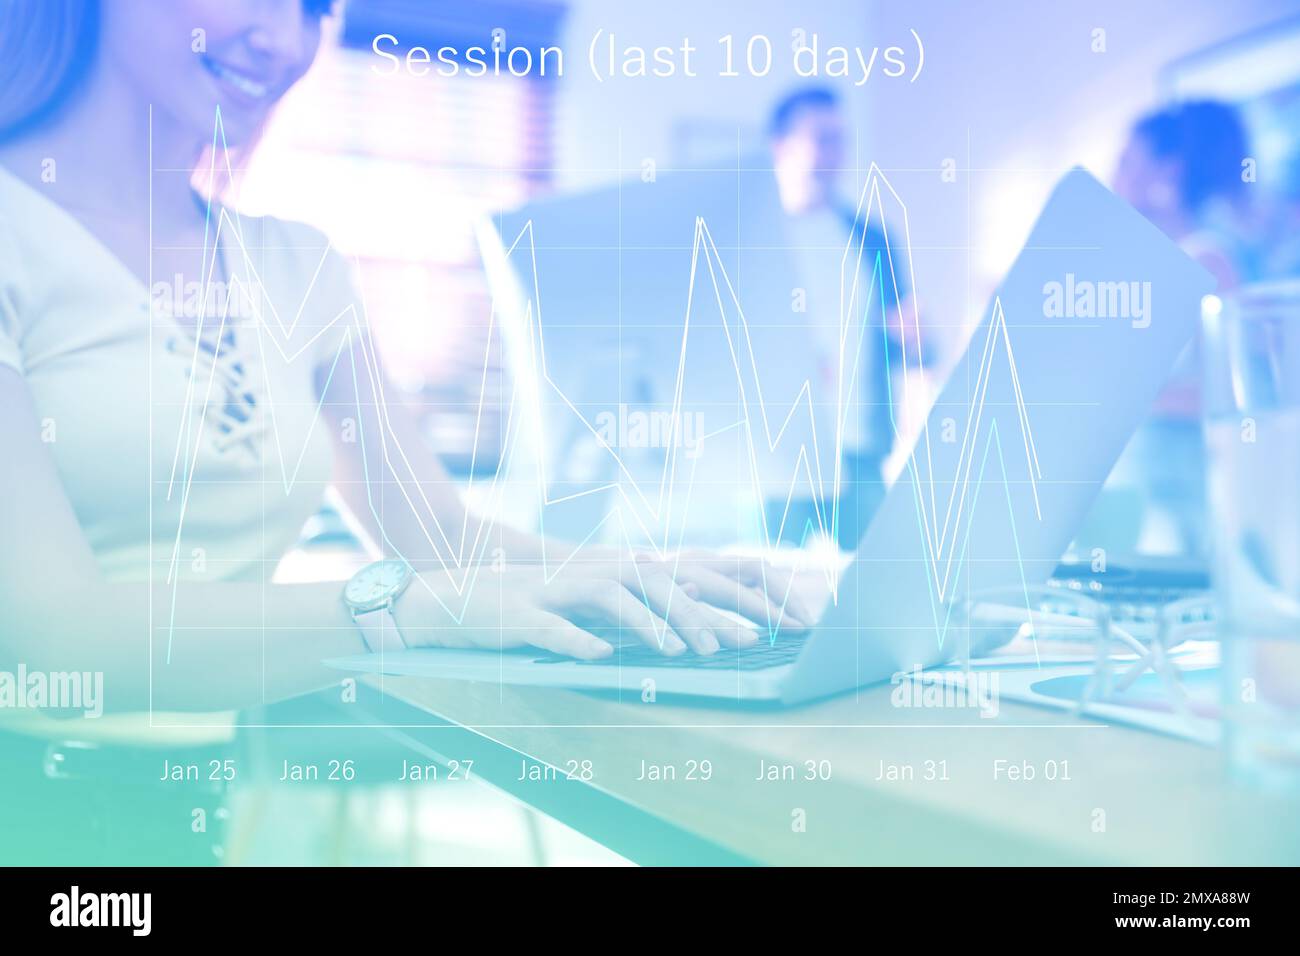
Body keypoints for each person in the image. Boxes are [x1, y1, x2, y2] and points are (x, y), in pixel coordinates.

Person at [0, 0, 810, 863]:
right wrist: (406, 611)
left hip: (181, 813)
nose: (283, 39)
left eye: (314, 7)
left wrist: (657, 577)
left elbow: (437, 537)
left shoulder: (293, 265)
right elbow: (57, 639)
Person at [1105, 100, 1262, 555]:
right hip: (1142, 489)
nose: (1115, 175)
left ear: (1167, 172)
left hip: (1188, 495)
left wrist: (1120, 395)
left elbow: (1234, 391)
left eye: (1128, 162)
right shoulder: (1150, 263)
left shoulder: (1208, 259)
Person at [766, 86, 915, 549]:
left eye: (840, 139)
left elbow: (908, 342)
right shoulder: (752, 240)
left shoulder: (872, 239)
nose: (834, 152)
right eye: (821, 138)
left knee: (873, 581)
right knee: (768, 596)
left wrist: (922, 341)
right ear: (781, 145)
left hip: (860, 450)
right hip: (779, 455)